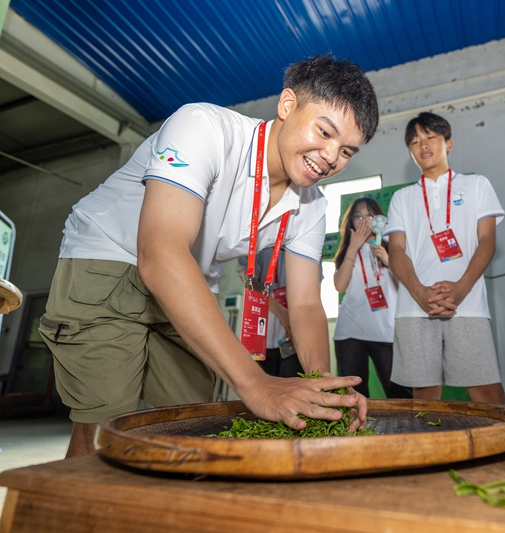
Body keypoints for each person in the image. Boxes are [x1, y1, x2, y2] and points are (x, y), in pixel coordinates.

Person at [38, 54, 379, 457]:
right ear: (288, 105)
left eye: (346, 151)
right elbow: (160, 252)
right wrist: (255, 383)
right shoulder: (202, 127)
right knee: (105, 434)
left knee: (188, 427)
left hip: (188, 284)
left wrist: (322, 388)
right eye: (324, 132)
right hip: (111, 262)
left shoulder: (311, 205)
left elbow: (305, 303)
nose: (330, 157)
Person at [385, 112, 505, 403]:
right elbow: (396, 250)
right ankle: (434, 450)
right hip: (415, 308)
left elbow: (487, 241)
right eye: (414, 141)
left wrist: (461, 289)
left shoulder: (477, 185)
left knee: (487, 394)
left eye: (430, 137)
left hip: (468, 305)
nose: (422, 145)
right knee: (424, 399)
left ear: (448, 142)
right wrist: (420, 293)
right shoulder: (402, 198)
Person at [332, 197, 412, 399]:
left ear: (380, 219)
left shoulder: (395, 247)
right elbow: (339, 285)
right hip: (350, 332)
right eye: (358, 216)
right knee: (354, 395)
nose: (364, 221)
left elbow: (409, 285)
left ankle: (405, 431)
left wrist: (389, 259)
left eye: (369, 215)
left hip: (386, 331)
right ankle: (358, 431)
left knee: (400, 393)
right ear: (351, 222)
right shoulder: (347, 252)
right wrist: (352, 247)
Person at [236, 246, 305, 378]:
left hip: (292, 340)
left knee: (291, 389)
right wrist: (282, 314)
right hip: (259, 337)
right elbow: (250, 282)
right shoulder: (259, 242)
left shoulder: (303, 246)